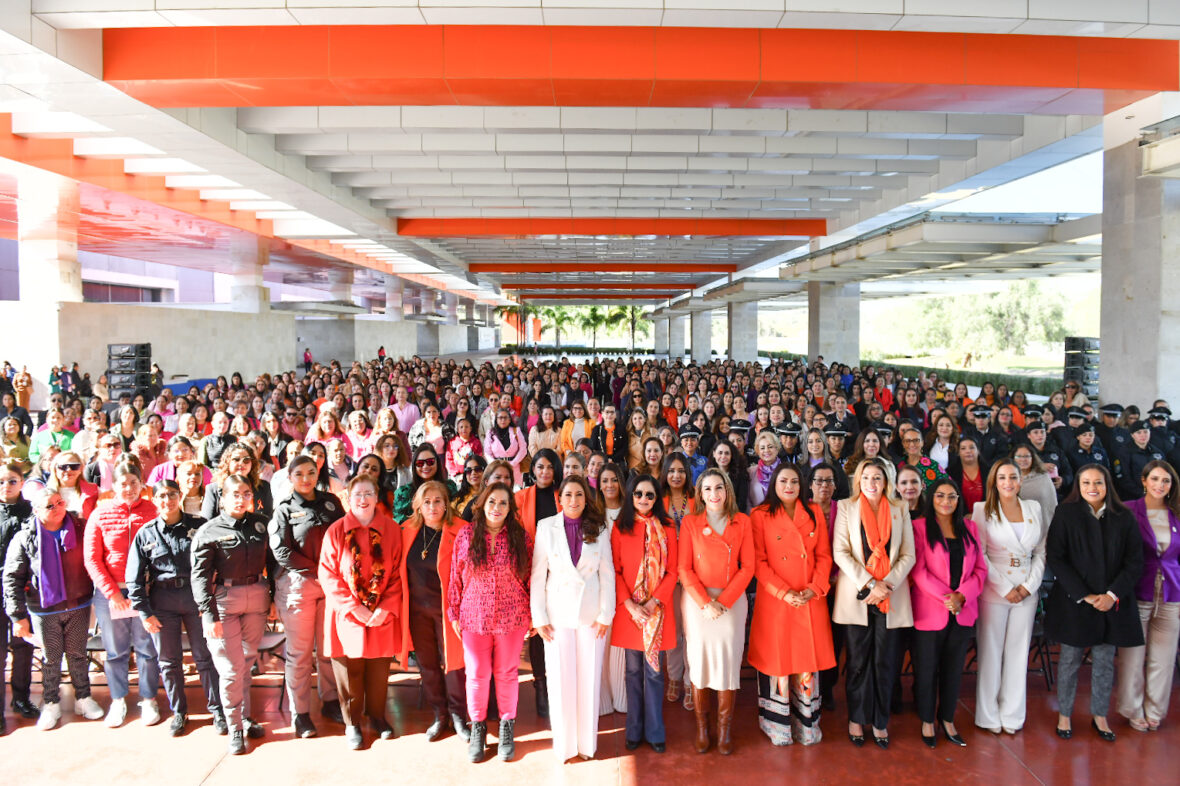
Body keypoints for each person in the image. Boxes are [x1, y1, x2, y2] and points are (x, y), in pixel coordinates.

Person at [1045, 465, 1144, 742]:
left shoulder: (1123, 516)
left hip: (1111, 602)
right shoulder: (1066, 513)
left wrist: (1112, 595)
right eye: (1086, 482)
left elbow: (1134, 562)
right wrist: (1085, 595)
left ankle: (1100, 715)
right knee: (1070, 661)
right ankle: (1064, 714)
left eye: (1098, 482)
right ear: (1078, 484)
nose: (1092, 487)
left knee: (1103, 662)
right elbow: (1056, 557)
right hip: (1075, 601)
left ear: (1107, 484)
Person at [125, 480, 224, 736]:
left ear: (180, 496)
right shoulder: (145, 533)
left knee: (205, 658)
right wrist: (144, 612)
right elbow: (134, 577)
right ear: (154, 499)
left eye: (171, 495)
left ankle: (217, 711)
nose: (167, 500)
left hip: (195, 598)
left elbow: (216, 563)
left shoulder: (199, 525)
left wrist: (211, 602)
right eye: (161, 496)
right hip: (163, 601)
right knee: (169, 662)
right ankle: (179, 712)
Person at [2, 486, 105, 730]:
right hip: (44, 610)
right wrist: (18, 616)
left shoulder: (79, 528)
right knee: (50, 659)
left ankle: (83, 697)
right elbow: (12, 577)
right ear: (36, 510)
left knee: (78, 655)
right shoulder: (25, 537)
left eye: (60, 502)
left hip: (78, 603)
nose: (58, 508)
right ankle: (51, 702)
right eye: (50, 505)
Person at [748, 463, 835, 746]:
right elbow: (758, 562)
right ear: (774, 483)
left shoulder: (813, 514)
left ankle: (806, 724)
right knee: (778, 659)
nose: (789, 486)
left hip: (809, 600)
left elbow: (824, 556)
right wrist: (784, 592)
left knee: (806, 660)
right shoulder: (760, 515)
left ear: (802, 484)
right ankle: (778, 725)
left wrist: (814, 588)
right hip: (776, 600)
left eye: (795, 481)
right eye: (783, 480)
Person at [831, 457, 915, 749]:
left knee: (884, 661)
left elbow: (908, 555)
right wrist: (870, 584)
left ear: (886, 481)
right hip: (858, 594)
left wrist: (885, 585)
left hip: (889, 595)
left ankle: (880, 721)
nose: (871, 483)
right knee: (856, 662)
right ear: (858, 480)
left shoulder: (900, 508)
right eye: (866, 477)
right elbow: (841, 552)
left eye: (877, 477)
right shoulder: (846, 507)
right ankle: (857, 718)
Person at [448, 483, 534, 763]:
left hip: (513, 616)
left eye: (503, 503)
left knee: (507, 673)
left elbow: (531, 576)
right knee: (477, 674)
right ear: (483, 504)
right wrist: (454, 612)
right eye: (492, 502)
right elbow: (455, 576)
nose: (497, 508)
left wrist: (535, 613)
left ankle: (507, 726)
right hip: (474, 616)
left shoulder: (521, 537)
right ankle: (478, 728)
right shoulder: (465, 535)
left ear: (510, 509)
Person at [531, 475, 614, 762]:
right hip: (557, 614)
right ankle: (564, 746)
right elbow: (538, 575)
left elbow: (608, 574)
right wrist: (539, 615)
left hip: (591, 614)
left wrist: (606, 613)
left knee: (589, 678)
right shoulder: (546, 528)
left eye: (579, 495)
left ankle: (587, 745)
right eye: (568, 495)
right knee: (559, 678)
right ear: (560, 498)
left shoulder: (600, 526)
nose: (574, 500)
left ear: (586, 498)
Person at [190, 474, 274, 754]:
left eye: (246, 493)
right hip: (224, 601)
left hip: (256, 597)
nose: (241, 499)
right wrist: (207, 613)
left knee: (246, 663)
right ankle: (235, 727)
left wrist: (272, 596)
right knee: (229, 669)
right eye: (234, 494)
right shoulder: (209, 530)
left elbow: (272, 563)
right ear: (222, 498)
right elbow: (199, 576)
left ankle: (246, 717)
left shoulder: (261, 524)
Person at [318, 474, 402, 750]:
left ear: (377, 497)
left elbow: (399, 572)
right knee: (348, 671)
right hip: (348, 613)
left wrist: (385, 607)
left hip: (381, 612)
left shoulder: (391, 529)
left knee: (379, 670)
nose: (363, 499)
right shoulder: (336, 531)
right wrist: (353, 606)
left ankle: (377, 716)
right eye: (358, 495)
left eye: (368, 494)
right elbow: (328, 575)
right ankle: (352, 722)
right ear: (348, 498)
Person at [678, 468, 755, 755]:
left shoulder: (742, 522)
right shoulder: (690, 523)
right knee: (699, 664)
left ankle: (724, 730)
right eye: (707, 489)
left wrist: (723, 601)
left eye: (718, 488)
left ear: (728, 491)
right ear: (700, 494)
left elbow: (748, 567)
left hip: (731, 603)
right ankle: (701, 727)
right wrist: (704, 602)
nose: (714, 494)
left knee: (727, 666)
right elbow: (683, 568)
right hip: (699, 602)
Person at [268, 454, 345, 737]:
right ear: (290, 478)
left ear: (318, 473)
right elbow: (282, 552)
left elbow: (344, 537)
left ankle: (331, 701)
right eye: (299, 474)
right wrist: (318, 570)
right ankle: (300, 713)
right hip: (298, 586)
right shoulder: (284, 510)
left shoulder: (331, 503)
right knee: (299, 654)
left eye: (311, 472)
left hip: (330, 586)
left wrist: (332, 573)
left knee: (327, 650)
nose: (305, 478)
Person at [909, 478, 988, 748]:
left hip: (962, 610)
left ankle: (948, 718)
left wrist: (962, 595)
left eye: (952, 496)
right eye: (940, 496)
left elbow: (980, 569)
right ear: (931, 498)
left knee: (954, 669)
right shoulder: (919, 527)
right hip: (931, 610)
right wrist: (948, 598)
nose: (946, 501)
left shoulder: (970, 527)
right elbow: (918, 571)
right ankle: (927, 720)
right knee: (927, 668)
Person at [971, 459, 1047, 735]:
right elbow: (980, 553)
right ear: (994, 481)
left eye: (1013, 477)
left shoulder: (1033, 508)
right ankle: (988, 715)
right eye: (1002, 477)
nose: (1008, 482)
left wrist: (1029, 586)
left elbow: (1041, 551)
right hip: (995, 586)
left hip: (1027, 586)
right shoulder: (982, 509)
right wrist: (1005, 587)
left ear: (1020, 480)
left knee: (1018, 653)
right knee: (991, 652)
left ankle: (1013, 716)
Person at [84, 464, 162, 728]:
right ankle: (118, 699)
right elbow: (92, 559)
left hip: (147, 592)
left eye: (133, 482)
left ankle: (149, 698)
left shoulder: (154, 511)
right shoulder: (100, 514)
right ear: (113, 486)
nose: (128, 488)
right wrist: (112, 593)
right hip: (112, 593)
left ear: (142, 484)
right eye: (123, 483)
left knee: (146, 647)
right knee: (116, 650)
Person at [399, 481, 469, 741]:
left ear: (446, 502)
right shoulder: (407, 530)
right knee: (427, 665)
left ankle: (458, 716)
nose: (432, 506)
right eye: (427, 502)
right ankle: (440, 715)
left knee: (454, 664)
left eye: (438, 500)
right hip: (416, 610)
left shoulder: (461, 530)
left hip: (448, 612)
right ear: (418, 504)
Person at [612, 473, 678, 752]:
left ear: (657, 498)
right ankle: (634, 730)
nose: (643, 499)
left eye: (649, 495)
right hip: (630, 613)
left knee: (653, 673)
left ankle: (655, 732)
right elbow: (613, 570)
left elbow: (673, 570)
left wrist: (653, 603)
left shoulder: (668, 527)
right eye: (638, 494)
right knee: (632, 671)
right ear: (630, 495)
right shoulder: (620, 527)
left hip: (656, 612)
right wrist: (630, 605)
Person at [1117, 460, 1180, 731]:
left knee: (1163, 659)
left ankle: (1155, 709)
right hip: (1138, 591)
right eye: (1155, 479)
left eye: (1165, 481)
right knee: (1133, 656)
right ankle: (1132, 708)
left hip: (1171, 593)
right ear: (1144, 480)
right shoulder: (1129, 511)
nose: (1160, 485)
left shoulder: (1177, 513)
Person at [483, 409, 529, 487]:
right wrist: (496, 464)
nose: (503, 420)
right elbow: (487, 452)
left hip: (514, 467)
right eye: (500, 418)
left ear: (509, 419)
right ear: (496, 420)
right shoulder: (490, 432)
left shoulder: (516, 431)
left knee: (515, 492)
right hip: (496, 468)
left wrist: (513, 463)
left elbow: (523, 449)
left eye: (505, 417)